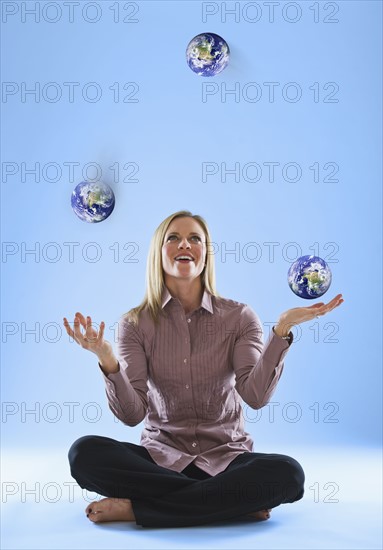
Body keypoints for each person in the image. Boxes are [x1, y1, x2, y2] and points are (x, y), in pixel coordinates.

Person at [63, 210, 343, 528]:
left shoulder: (239, 317)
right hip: (160, 459)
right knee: (84, 453)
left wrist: (281, 331)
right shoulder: (134, 324)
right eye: (174, 238)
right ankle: (229, 504)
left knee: (289, 474)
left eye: (195, 238)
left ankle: (140, 509)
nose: (186, 244)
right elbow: (132, 415)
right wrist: (107, 359)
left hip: (227, 460)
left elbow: (254, 396)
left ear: (206, 253)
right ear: (159, 252)